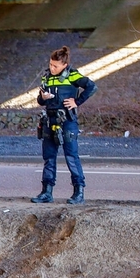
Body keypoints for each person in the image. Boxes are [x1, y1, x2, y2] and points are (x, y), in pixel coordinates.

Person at [31, 46, 97, 204]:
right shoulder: (46, 77)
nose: (51, 68)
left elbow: (92, 87)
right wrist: (43, 97)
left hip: (67, 121)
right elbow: (40, 101)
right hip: (49, 120)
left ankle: (78, 192)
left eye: (55, 66)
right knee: (49, 158)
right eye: (50, 64)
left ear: (64, 66)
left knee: (71, 157)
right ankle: (46, 192)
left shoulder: (72, 75)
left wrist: (77, 101)